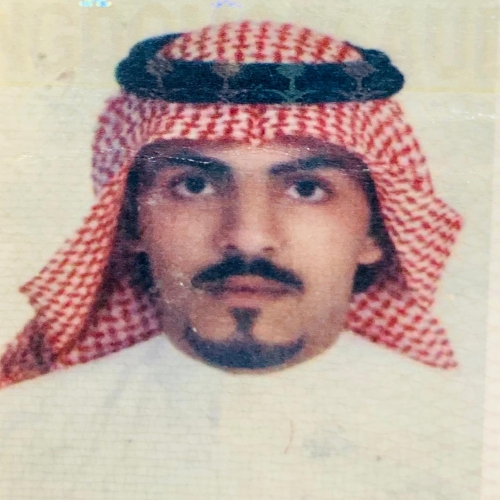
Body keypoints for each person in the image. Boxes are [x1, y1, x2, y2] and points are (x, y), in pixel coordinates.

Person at [0, 20, 462, 389]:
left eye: (306, 189)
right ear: (131, 222)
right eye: (195, 185)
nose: (248, 237)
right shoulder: (30, 426)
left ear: (377, 230)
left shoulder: (456, 436)